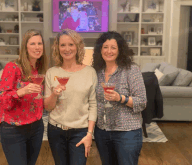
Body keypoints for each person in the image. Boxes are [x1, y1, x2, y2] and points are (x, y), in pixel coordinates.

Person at [92, 31, 147, 165]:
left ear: (120, 50)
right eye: (105, 47)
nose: (109, 51)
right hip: (102, 131)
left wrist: (120, 98)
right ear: (100, 49)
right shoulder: (96, 71)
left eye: (113, 47)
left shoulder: (131, 70)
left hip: (127, 133)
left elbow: (142, 102)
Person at [44, 28, 97, 165]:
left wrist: (90, 134)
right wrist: (54, 95)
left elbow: (93, 105)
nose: (67, 49)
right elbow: (48, 107)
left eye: (71, 44)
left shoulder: (90, 72)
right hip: (55, 131)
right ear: (57, 48)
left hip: (80, 132)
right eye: (63, 45)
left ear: (77, 47)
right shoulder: (51, 72)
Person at [0, 29, 48, 165]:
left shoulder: (40, 69)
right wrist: (21, 92)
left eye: (40, 43)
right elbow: (2, 99)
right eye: (32, 44)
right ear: (25, 47)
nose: (37, 47)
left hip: (36, 127)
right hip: (14, 129)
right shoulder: (12, 67)